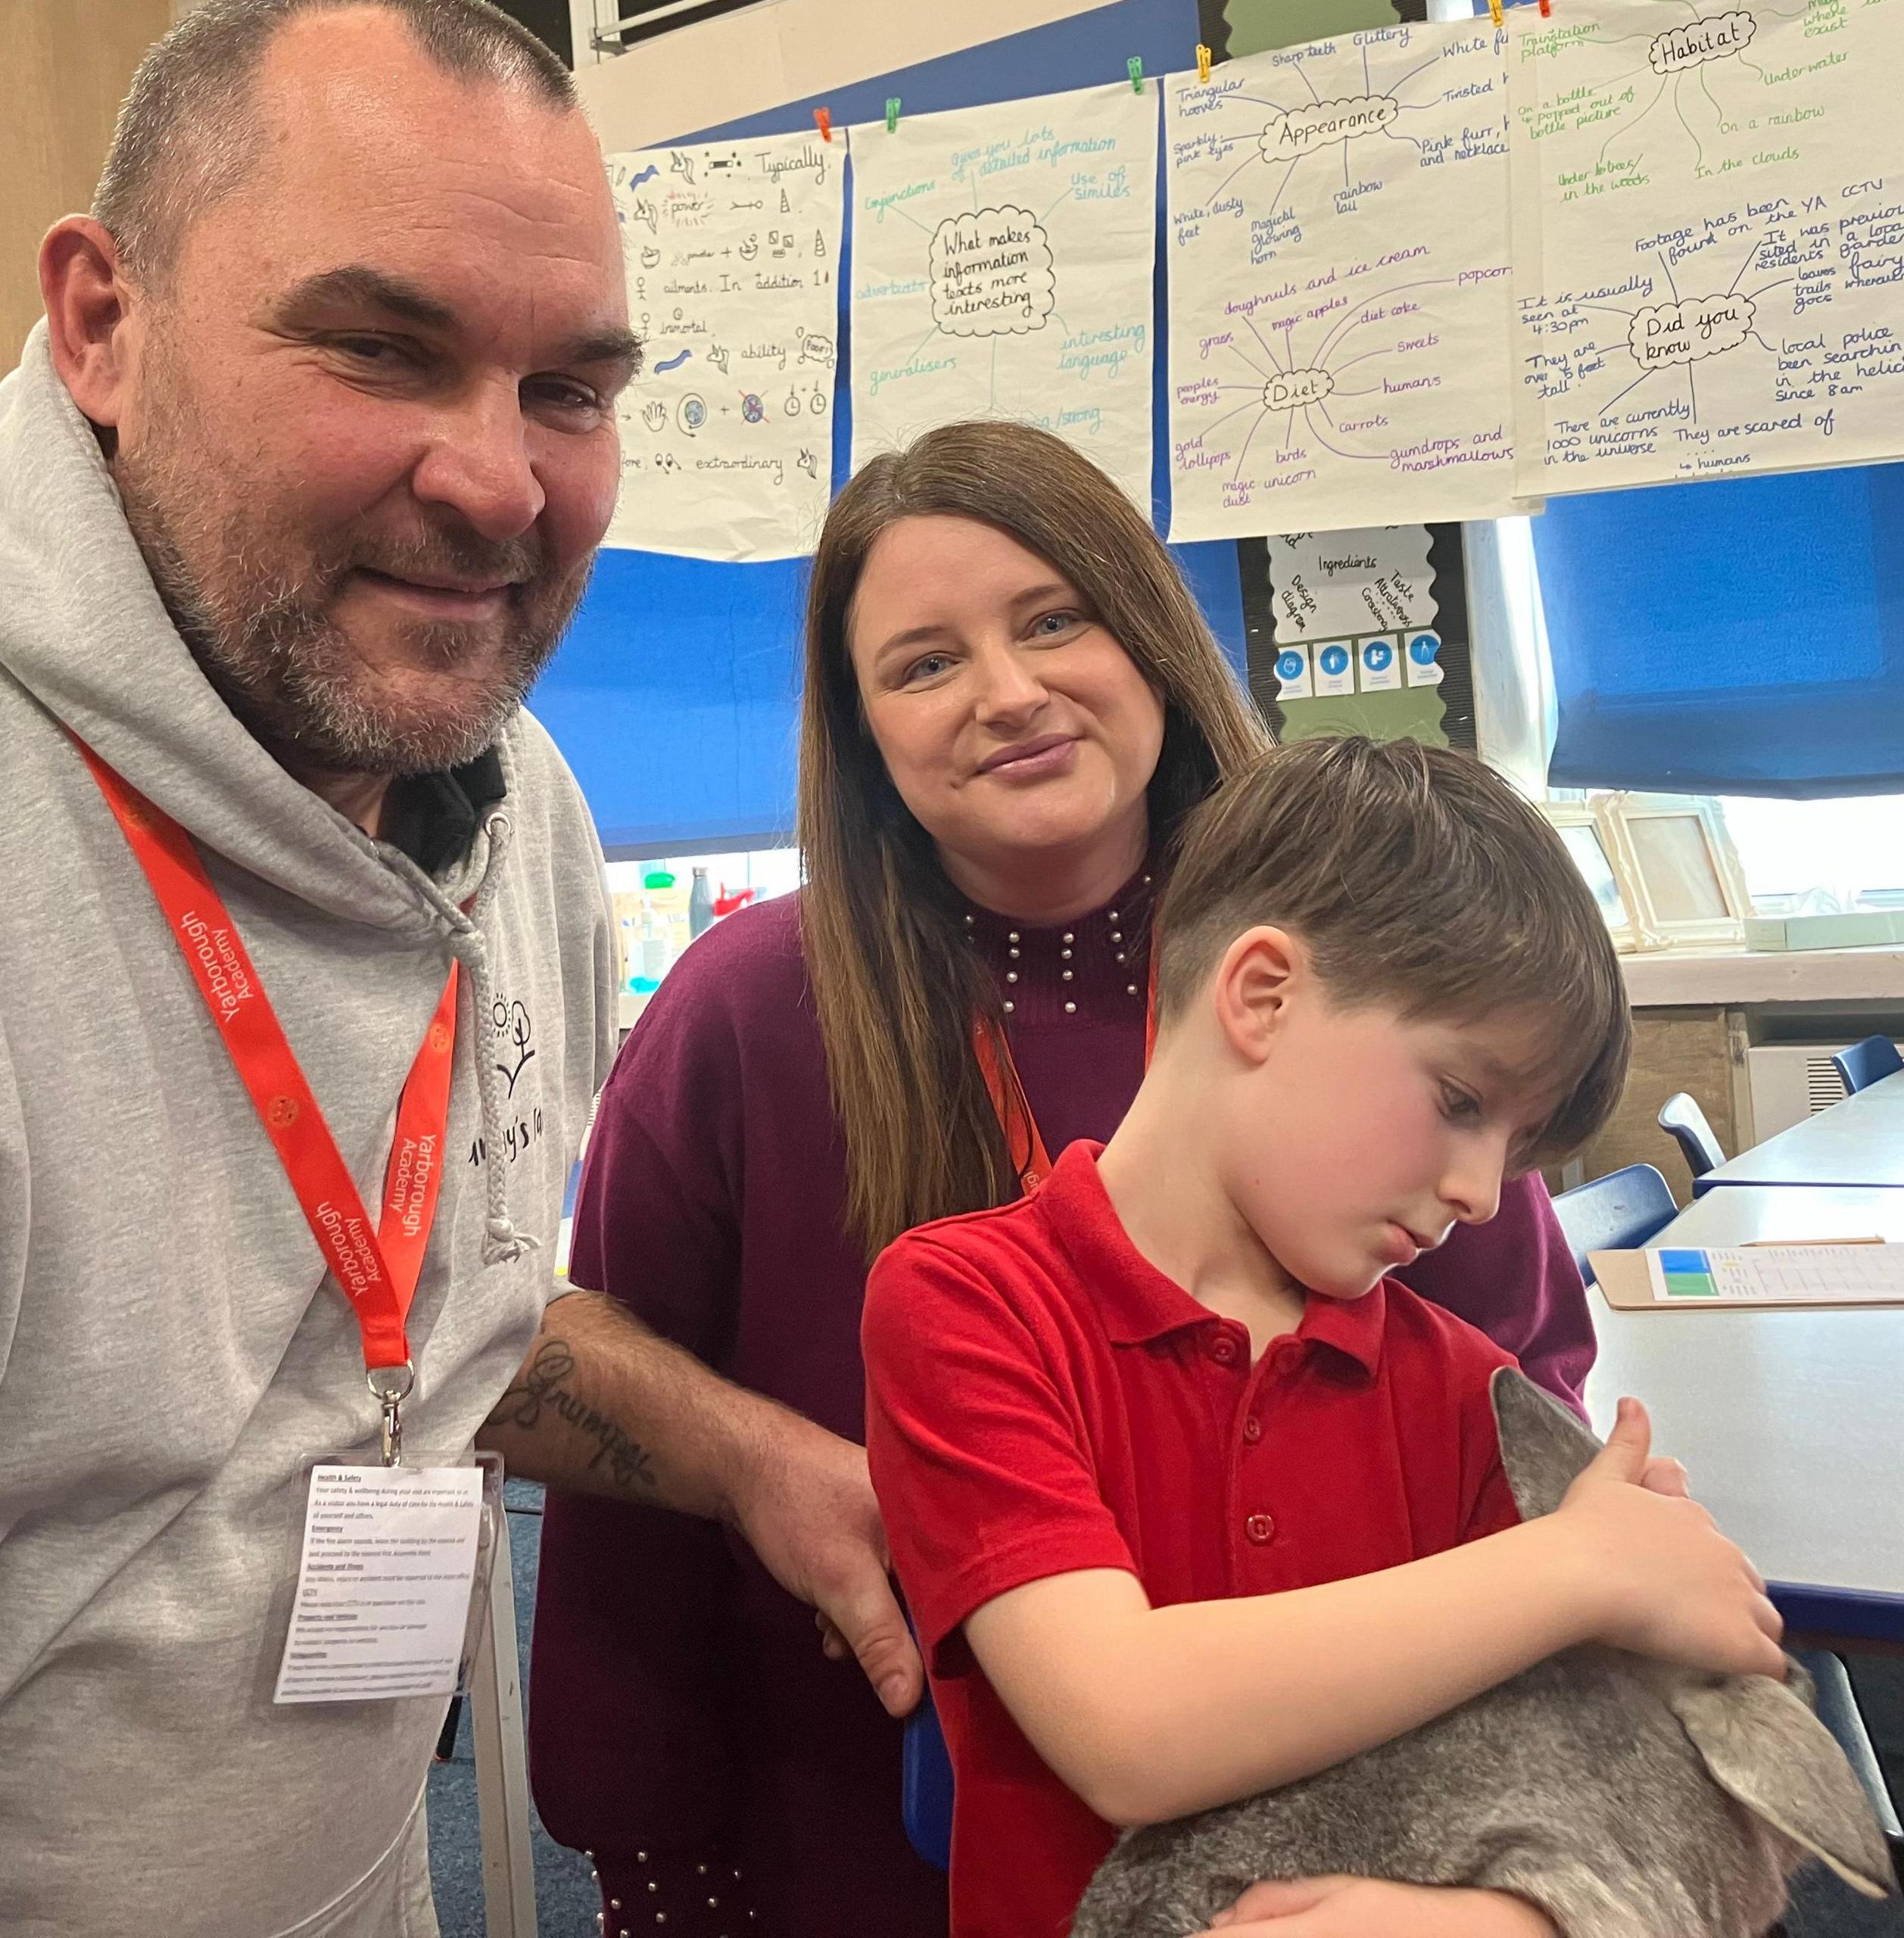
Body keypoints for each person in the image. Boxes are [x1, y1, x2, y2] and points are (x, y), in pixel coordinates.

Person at [0, 4, 887, 1932]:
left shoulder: (510, 805)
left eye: (568, 388)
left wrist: (754, 1458)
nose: (498, 483)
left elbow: (424, 1335)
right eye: (381, 348)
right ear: (101, 325)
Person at [526, 426, 1608, 1936]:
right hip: (847, 1784)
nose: (1007, 689)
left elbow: (1523, 1398)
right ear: (862, 732)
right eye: (920, 662)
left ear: (1149, 635)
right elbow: (574, 1363)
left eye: (1052, 618)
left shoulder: (1362, 991)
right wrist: (653, 1798)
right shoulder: (740, 1009)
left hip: (1336, 1812)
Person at [861, 737, 1788, 1938]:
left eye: (1515, 1150)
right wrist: (1581, 1570)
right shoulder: (968, 1305)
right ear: (1263, 995)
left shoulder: (1468, 1393)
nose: (1484, 1196)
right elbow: (1125, 1727)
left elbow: (1716, 1804)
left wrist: (1517, 1925)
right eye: (1461, 1102)